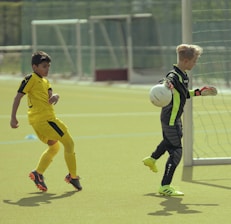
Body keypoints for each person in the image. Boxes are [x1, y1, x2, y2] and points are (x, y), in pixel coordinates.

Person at [143, 44, 217, 196]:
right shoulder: (174, 76)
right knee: (176, 152)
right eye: (194, 60)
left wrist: (200, 92)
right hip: (170, 119)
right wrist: (165, 85)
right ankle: (165, 186)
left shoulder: (183, 75)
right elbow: (165, 81)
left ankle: (152, 159)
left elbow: (183, 95)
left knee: (170, 141)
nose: (195, 64)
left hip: (173, 118)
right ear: (185, 60)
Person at [10, 51, 82, 192]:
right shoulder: (30, 78)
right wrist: (13, 117)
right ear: (34, 66)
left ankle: (38, 173)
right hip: (45, 120)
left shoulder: (45, 81)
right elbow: (17, 97)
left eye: (48, 66)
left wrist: (56, 96)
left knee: (54, 147)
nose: (47, 69)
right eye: (44, 66)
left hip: (40, 121)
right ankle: (73, 176)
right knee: (69, 143)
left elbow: (50, 98)